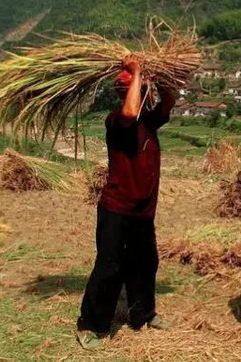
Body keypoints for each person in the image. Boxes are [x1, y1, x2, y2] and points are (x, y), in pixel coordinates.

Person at [76, 54, 175, 350]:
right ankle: (90, 325)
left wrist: (164, 77)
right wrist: (136, 71)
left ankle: (142, 315)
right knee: (110, 267)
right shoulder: (118, 120)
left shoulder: (150, 121)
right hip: (117, 208)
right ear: (126, 93)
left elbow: (168, 103)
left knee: (145, 264)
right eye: (140, 90)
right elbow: (130, 113)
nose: (146, 96)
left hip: (143, 210)